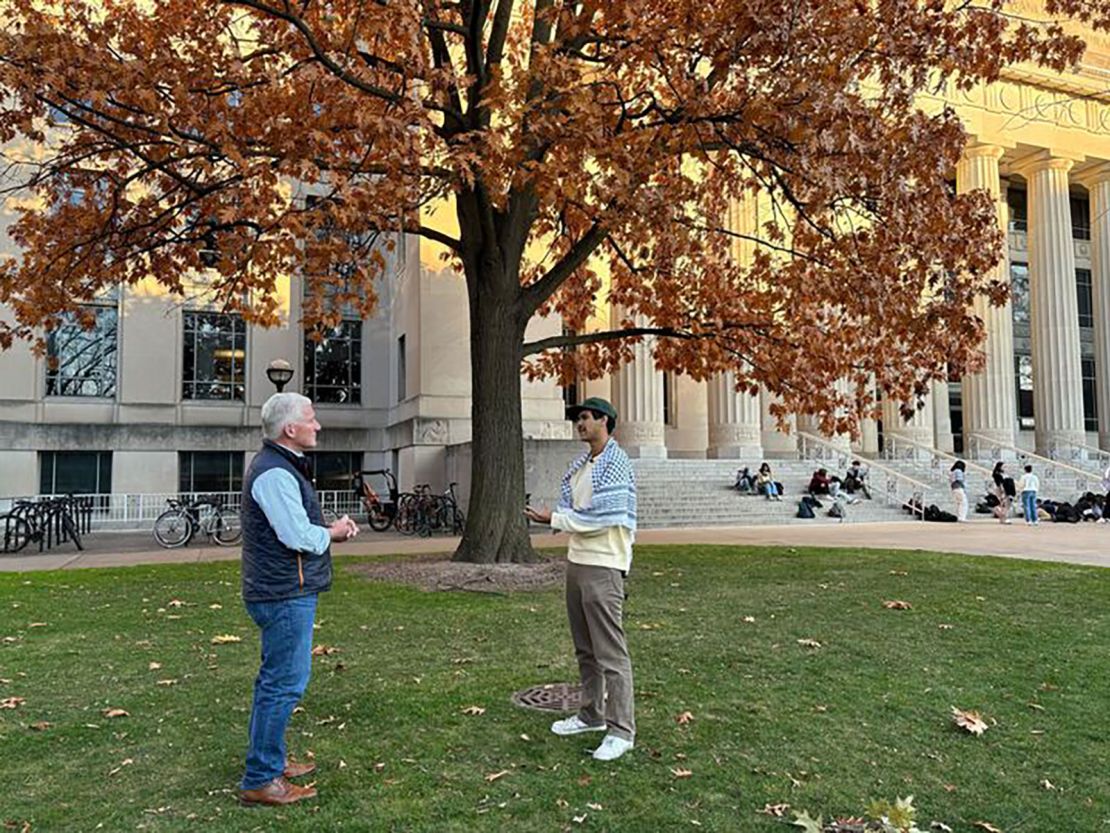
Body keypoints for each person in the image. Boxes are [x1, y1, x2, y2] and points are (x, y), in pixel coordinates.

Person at [238, 392, 360, 806]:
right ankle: (261, 778)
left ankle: (269, 760)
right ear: (290, 429)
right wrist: (334, 533)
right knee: (283, 685)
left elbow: (292, 526)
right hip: (283, 593)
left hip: (284, 589)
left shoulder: (281, 467)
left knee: (274, 682)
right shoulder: (274, 472)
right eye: (311, 419)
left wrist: (324, 527)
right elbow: (295, 536)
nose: (318, 425)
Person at [525, 396, 637, 762]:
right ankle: (591, 715)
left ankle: (622, 730)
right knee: (586, 649)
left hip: (603, 565)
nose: (580, 423)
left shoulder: (616, 463)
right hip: (577, 561)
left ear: (605, 420)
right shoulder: (582, 465)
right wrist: (559, 517)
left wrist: (553, 519)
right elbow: (576, 510)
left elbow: (606, 517)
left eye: (586, 417)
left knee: (610, 652)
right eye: (578, 418)